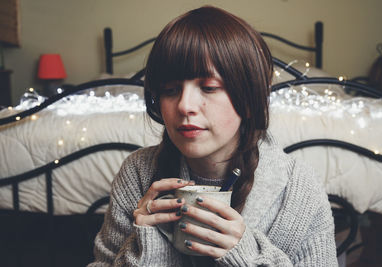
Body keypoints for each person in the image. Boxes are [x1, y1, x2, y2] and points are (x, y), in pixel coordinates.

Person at [88, 6, 337, 267]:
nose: (184, 105)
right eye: (170, 89)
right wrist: (145, 249)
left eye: (209, 87)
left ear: (250, 100)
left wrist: (246, 255)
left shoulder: (298, 189)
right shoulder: (137, 174)